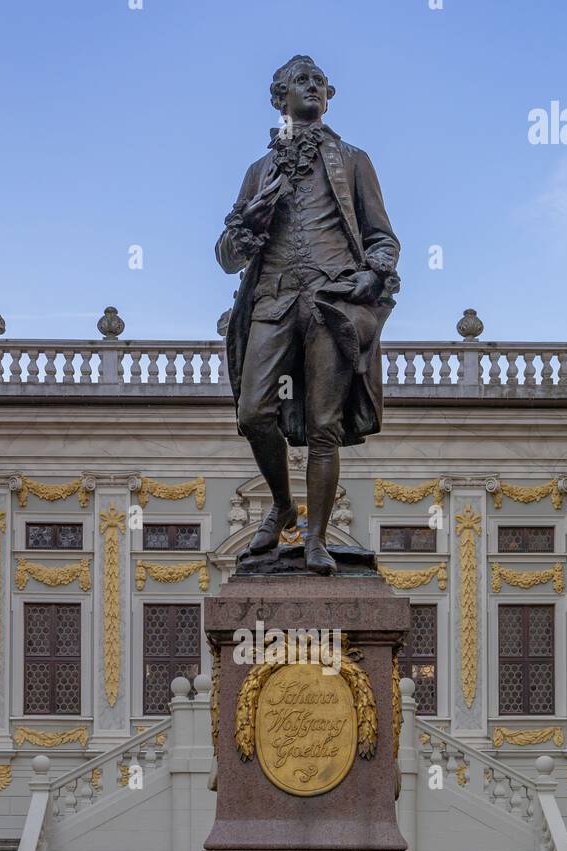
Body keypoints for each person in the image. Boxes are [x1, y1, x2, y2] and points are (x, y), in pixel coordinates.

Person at [216, 55, 400, 575]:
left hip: (330, 300)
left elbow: (382, 236)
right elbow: (228, 256)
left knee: (324, 424)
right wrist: (245, 227)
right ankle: (280, 503)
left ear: (329, 95)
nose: (313, 87)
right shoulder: (258, 172)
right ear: (280, 98)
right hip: (272, 300)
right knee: (253, 412)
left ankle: (315, 538)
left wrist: (373, 272)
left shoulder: (354, 161)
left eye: (320, 81)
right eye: (302, 81)